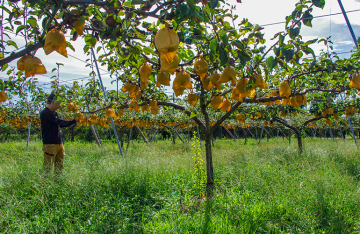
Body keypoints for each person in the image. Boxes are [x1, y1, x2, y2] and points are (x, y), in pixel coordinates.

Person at [40, 93, 76, 177]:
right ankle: (44, 185)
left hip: (58, 143)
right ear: (53, 102)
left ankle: (57, 184)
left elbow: (58, 122)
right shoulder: (45, 113)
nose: (60, 105)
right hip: (50, 144)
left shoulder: (54, 113)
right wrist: (73, 121)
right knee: (47, 167)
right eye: (59, 103)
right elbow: (60, 122)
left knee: (59, 166)